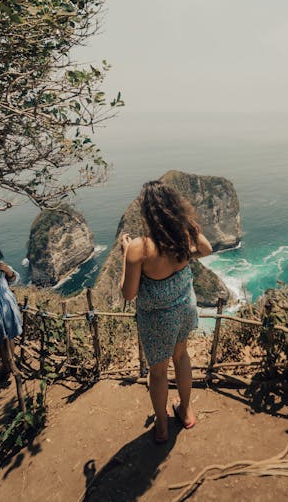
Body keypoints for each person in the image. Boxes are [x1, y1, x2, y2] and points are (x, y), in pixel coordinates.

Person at [120, 181, 212, 443]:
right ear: (173, 207)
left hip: (157, 318)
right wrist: (188, 228)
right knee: (181, 356)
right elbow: (206, 249)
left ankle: (161, 426)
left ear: (147, 213)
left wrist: (125, 254)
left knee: (158, 371)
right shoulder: (182, 235)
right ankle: (186, 409)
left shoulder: (140, 247)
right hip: (184, 307)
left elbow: (128, 294)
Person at [0, 243, 22, 379]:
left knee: (9, 337)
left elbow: (13, 280)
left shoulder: (0, 267)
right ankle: (2, 366)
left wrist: (8, 271)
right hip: (0, 310)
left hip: (7, 309)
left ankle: (8, 365)